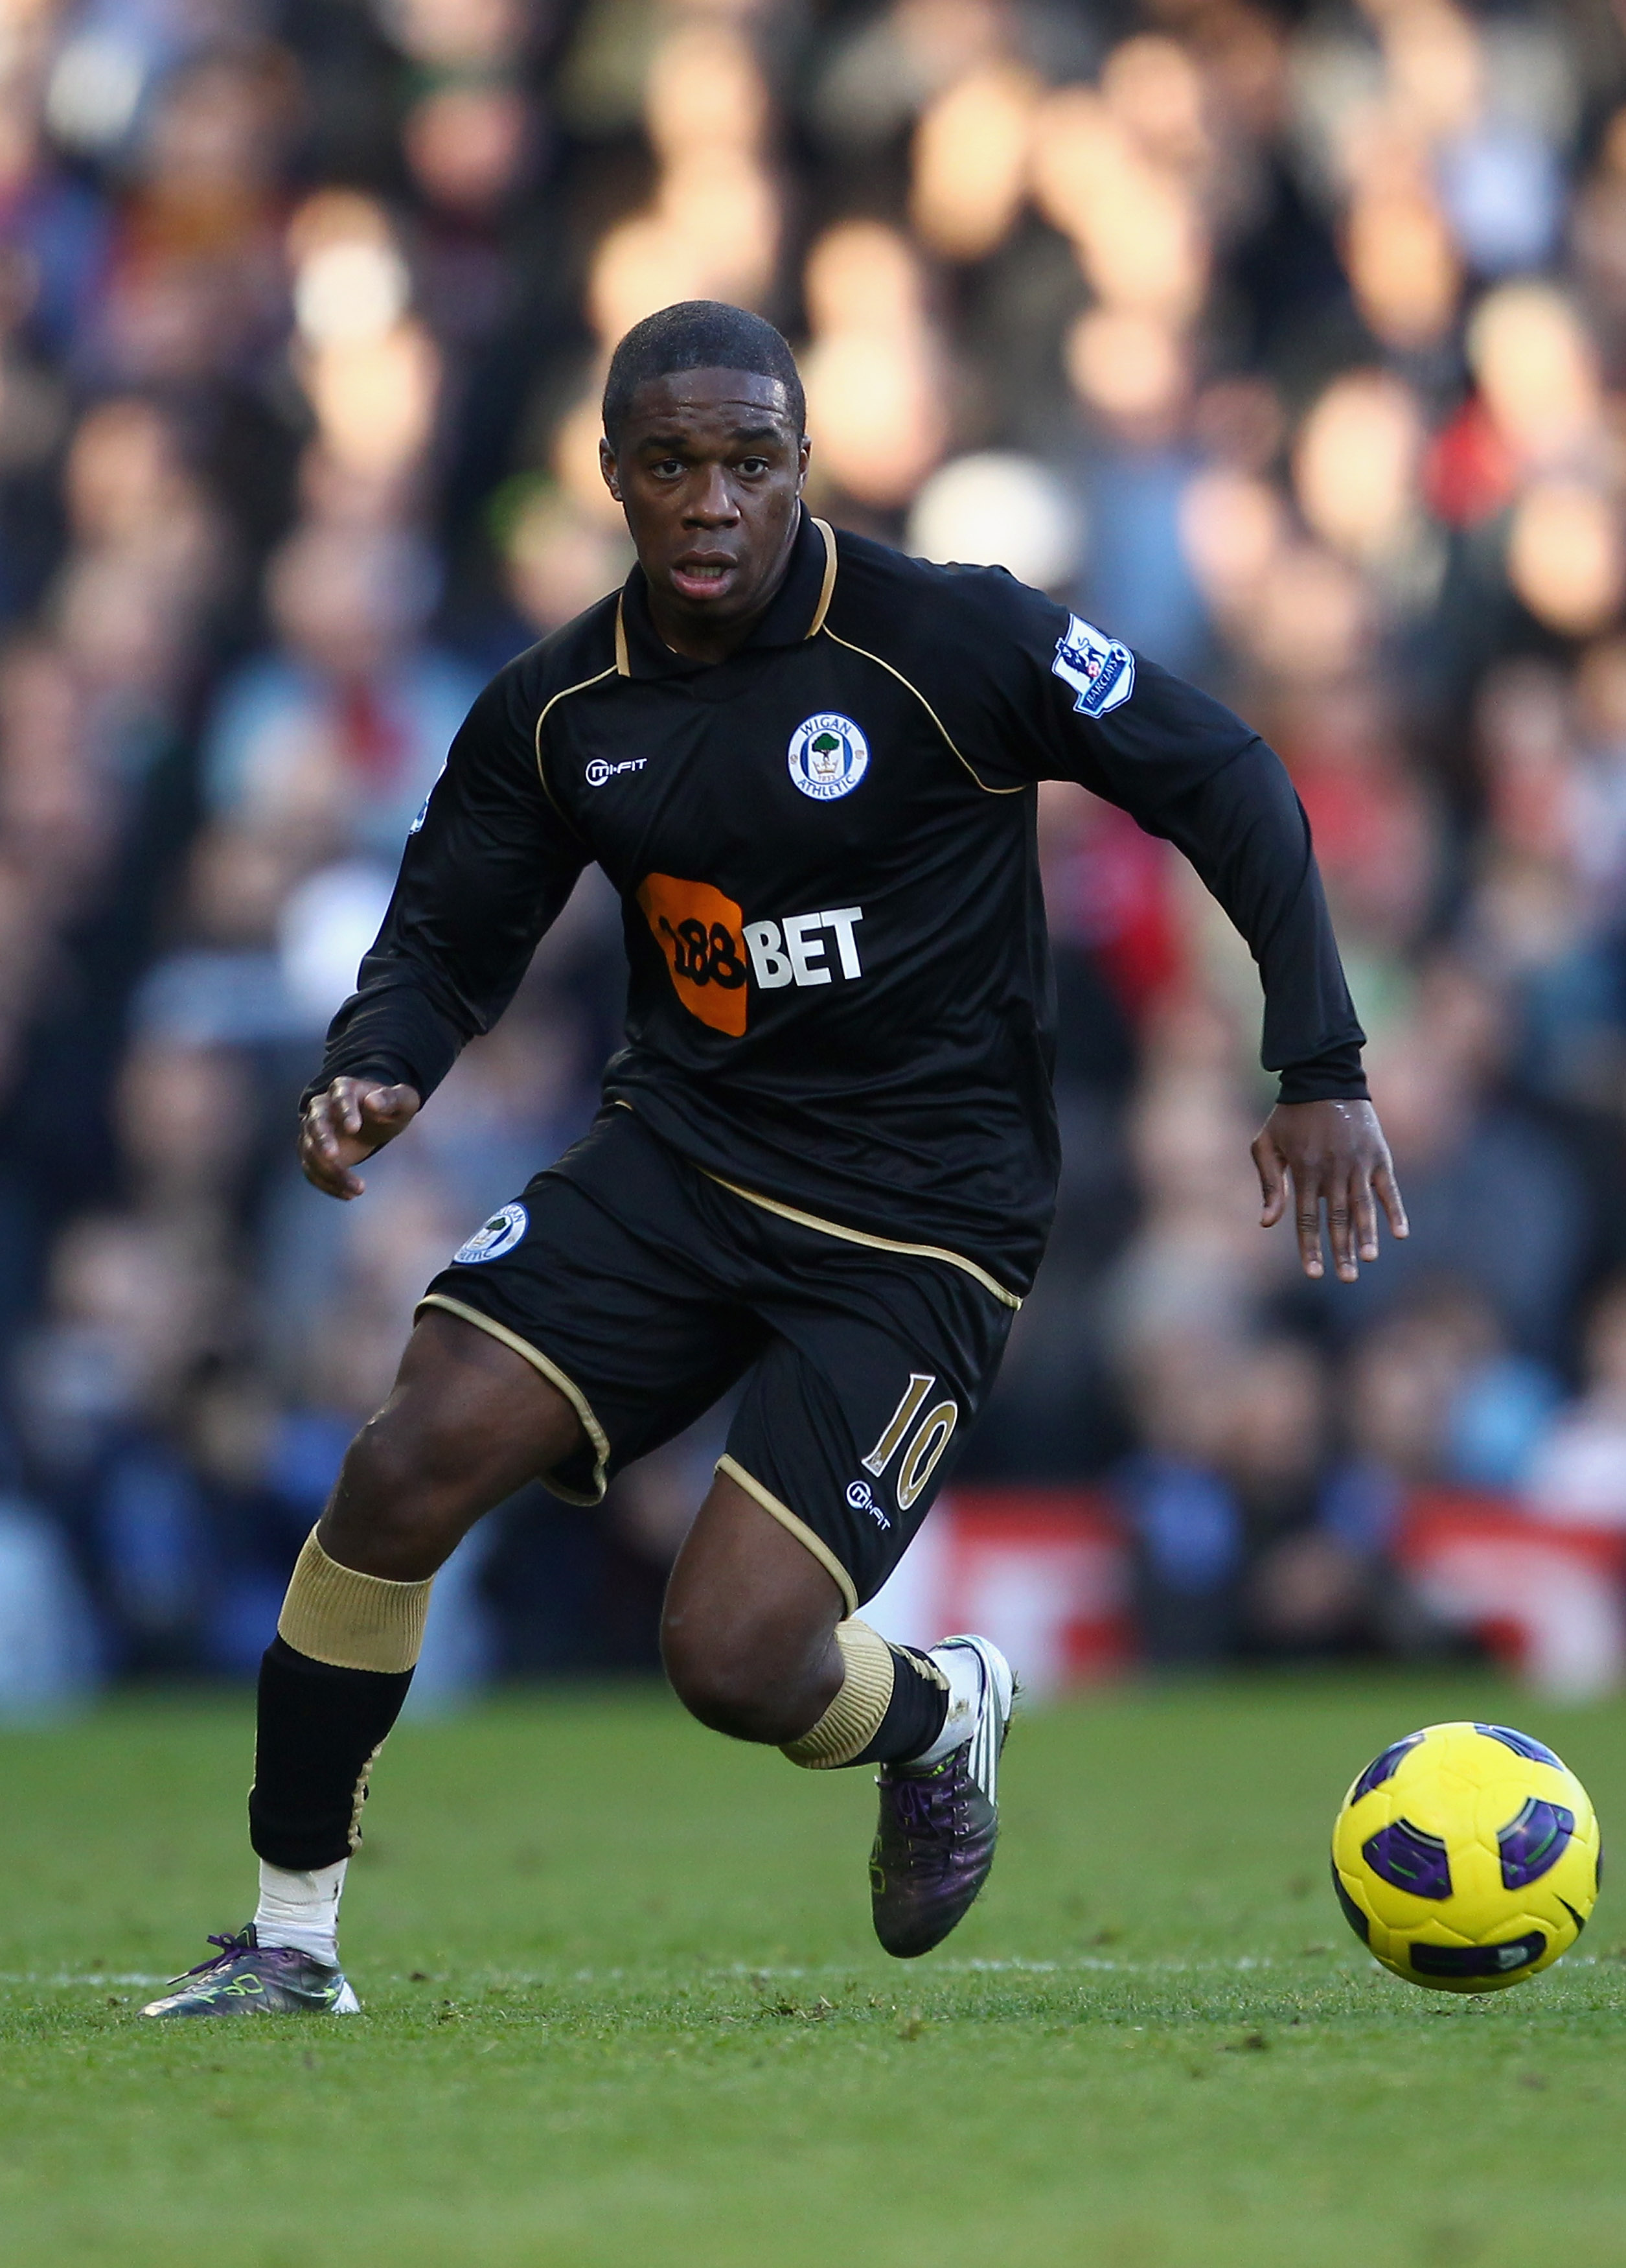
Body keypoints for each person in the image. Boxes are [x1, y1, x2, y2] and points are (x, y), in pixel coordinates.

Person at [143, 302, 1406, 2018]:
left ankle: (938, 1709)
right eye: (673, 464)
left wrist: (1319, 1057)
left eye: (750, 461)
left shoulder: (943, 639)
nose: (714, 501)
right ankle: (290, 1938)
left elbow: (1224, 771)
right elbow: (447, 936)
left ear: (802, 466)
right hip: (682, 1157)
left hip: (922, 1224)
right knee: (407, 1455)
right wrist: (377, 1067)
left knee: (728, 1654)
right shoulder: (562, 708)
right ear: (614, 479)